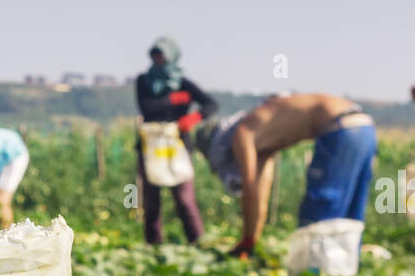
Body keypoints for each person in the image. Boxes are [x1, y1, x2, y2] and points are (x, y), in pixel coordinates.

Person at [190, 93, 378, 257]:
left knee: (318, 214)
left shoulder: (242, 134)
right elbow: (260, 195)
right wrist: (250, 240)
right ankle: (347, 267)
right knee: (351, 213)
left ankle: (315, 274)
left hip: (341, 128)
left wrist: (246, 240)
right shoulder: (263, 141)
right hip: (364, 127)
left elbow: (249, 190)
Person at [135, 37, 217, 245]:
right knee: (151, 202)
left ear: (171, 56)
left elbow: (210, 104)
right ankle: (153, 246)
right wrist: (172, 100)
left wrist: (193, 118)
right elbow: (147, 108)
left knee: (184, 199)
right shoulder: (143, 81)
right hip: (150, 147)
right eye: (154, 54)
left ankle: (197, 243)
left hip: (177, 146)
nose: (157, 58)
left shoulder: (183, 82)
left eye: (161, 54)